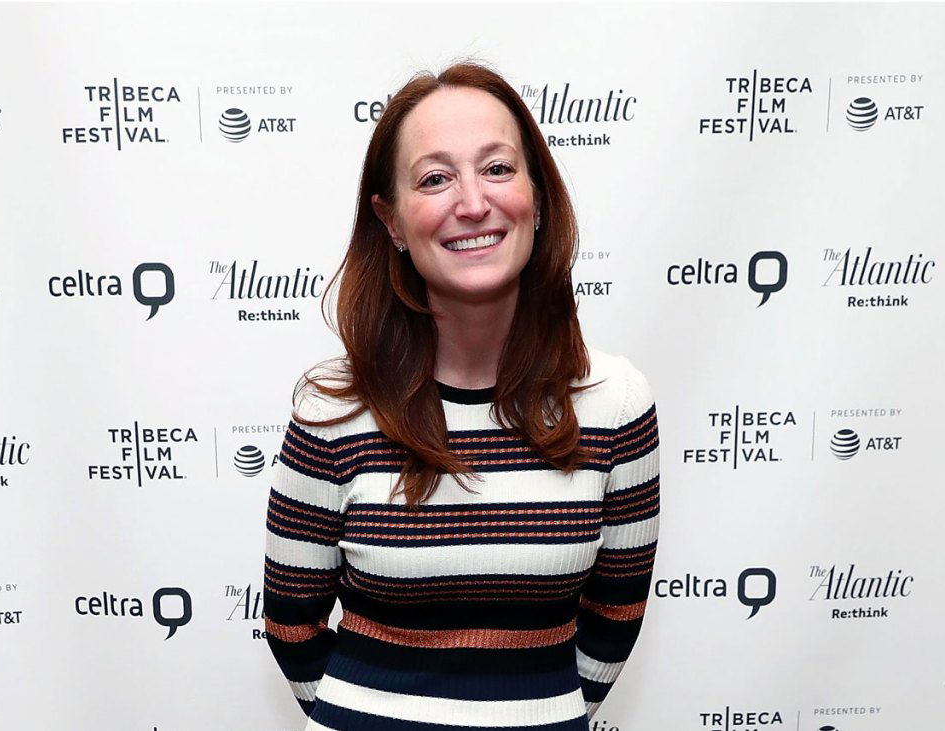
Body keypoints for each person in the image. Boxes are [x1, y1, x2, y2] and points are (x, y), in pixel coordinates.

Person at [263, 62, 660, 730]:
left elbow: (615, 617)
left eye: (498, 168)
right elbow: (290, 624)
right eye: (435, 179)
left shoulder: (616, 404)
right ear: (392, 221)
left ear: (538, 198)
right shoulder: (331, 411)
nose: (473, 203)